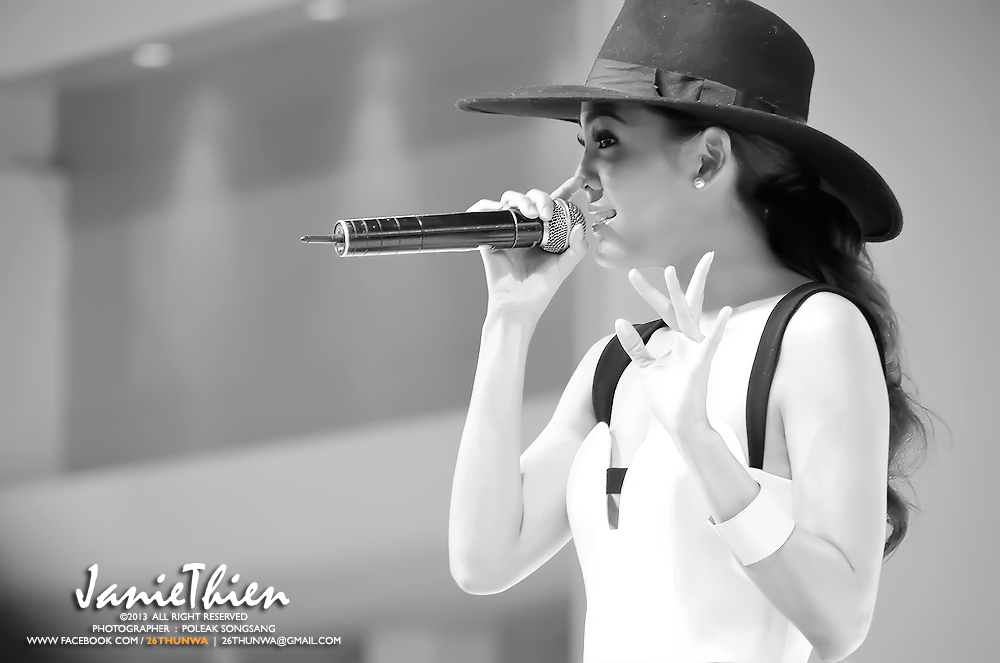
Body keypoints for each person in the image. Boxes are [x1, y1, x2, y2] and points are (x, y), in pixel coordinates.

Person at [447, 1, 930, 661]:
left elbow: (842, 620)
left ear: (707, 159)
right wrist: (509, 315)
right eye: (581, 146)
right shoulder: (616, 363)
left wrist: (699, 440)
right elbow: (482, 560)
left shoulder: (814, 331)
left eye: (607, 142)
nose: (579, 182)